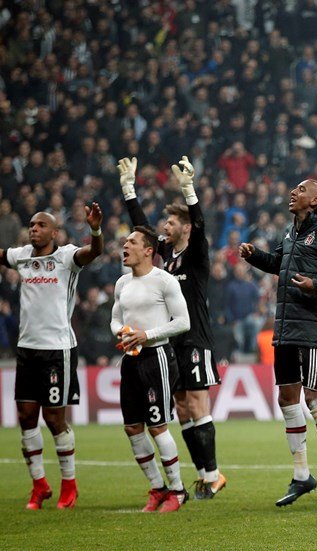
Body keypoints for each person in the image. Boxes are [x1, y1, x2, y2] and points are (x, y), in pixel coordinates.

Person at [239, 179, 317, 508]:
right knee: (287, 398)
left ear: (316, 200)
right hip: (286, 327)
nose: (294, 192)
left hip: (312, 328)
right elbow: (279, 263)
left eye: (301, 190)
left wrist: (316, 286)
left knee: (314, 398)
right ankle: (302, 474)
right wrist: (255, 257)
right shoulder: (292, 231)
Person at [117, 156, 226, 500]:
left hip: (195, 338)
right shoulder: (168, 255)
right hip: (171, 340)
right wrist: (129, 190)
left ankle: (212, 476)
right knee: (180, 408)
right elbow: (142, 232)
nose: (165, 225)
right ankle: (204, 474)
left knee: (196, 404)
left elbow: (201, 224)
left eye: (171, 221)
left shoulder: (196, 253)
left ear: (186, 227)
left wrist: (189, 191)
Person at [2, 204, 103, 509]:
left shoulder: (66, 257)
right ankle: (39, 485)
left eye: (41, 225)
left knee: (55, 418)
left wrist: (95, 230)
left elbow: (93, 252)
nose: (34, 228)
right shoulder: (20, 256)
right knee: (25, 418)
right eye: (31, 225)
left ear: (54, 232)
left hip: (57, 350)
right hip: (27, 348)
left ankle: (69, 485)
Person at [110, 226, 191, 513]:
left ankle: (178, 491)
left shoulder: (164, 281)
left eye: (132, 242)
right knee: (132, 427)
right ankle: (158, 488)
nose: (125, 245)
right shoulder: (122, 283)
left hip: (156, 357)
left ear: (147, 251)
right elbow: (115, 319)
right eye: (125, 241)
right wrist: (123, 331)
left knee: (157, 426)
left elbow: (183, 322)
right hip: (130, 359)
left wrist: (147, 335)